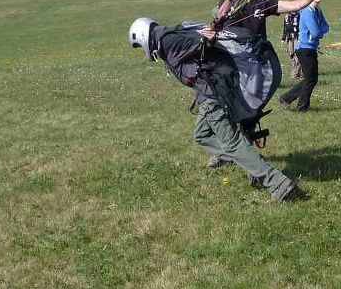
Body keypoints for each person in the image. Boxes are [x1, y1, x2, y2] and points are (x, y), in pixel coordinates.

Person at [128, 17, 305, 203]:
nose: (143, 50)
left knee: (232, 144)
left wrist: (209, 37)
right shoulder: (170, 35)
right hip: (209, 94)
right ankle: (251, 163)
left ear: (142, 37)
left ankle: (278, 185)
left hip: (214, 96)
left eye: (139, 45)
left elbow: (203, 41)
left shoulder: (168, 41)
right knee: (202, 134)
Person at [278, 0, 329, 112]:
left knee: (311, 79)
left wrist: (319, 30)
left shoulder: (317, 11)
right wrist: (319, 31)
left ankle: (286, 98)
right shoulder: (307, 11)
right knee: (310, 79)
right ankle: (301, 107)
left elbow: (326, 27)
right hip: (304, 49)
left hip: (311, 48)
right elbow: (316, 33)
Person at [281, 10, 302, 78]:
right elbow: (285, 28)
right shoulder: (286, 17)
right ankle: (294, 70)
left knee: (298, 55)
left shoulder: (299, 16)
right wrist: (283, 38)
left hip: (297, 38)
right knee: (292, 55)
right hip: (290, 39)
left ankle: (296, 73)